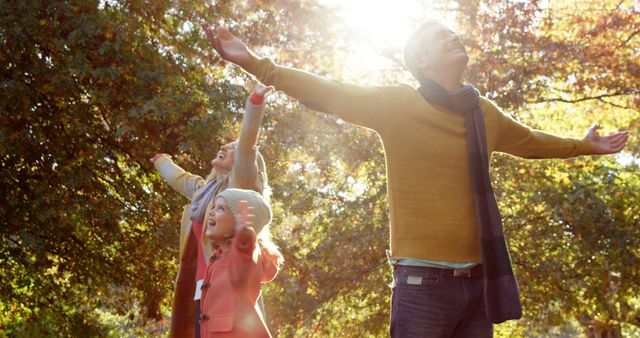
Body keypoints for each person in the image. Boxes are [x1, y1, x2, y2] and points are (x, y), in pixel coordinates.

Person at [201, 20, 628, 337]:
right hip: (422, 285)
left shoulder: (483, 114)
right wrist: (255, 63)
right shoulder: (398, 104)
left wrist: (585, 145)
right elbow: (325, 90)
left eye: (453, 35)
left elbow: (531, 141)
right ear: (421, 60)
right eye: (440, 37)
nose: (453, 38)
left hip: (478, 284)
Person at [151, 84, 274, 337]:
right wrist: (160, 161)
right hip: (200, 287)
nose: (225, 148)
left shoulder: (238, 187)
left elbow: (247, 146)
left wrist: (254, 103)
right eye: (226, 145)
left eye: (232, 148)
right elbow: (181, 179)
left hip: (228, 289)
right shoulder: (204, 192)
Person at [199, 188, 283, 337]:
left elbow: (239, 276)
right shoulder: (218, 257)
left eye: (221, 208)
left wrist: (243, 234)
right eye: (214, 207)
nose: (211, 212)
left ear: (239, 222)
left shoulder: (247, 255)